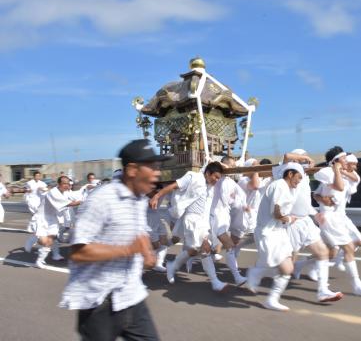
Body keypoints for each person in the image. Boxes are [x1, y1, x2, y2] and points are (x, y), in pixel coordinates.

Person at [59, 139, 167, 341]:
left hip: (131, 297)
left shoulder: (139, 200)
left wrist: (146, 252)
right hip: (99, 303)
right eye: (152, 167)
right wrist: (128, 249)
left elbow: (137, 231)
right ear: (133, 170)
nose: (157, 173)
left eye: (158, 166)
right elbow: (79, 252)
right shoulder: (101, 199)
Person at [274, 150, 343, 303]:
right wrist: (305, 157)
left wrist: (314, 214)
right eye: (301, 157)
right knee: (286, 264)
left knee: (323, 252)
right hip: (291, 223)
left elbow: (304, 201)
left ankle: (323, 291)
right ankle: (257, 276)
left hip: (306, 221)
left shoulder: (303, 177)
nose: (305, 161)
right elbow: (286, 156)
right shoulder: (283, 172)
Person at [150, 162, 228, 292]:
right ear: (208, 173)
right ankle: (215, 282)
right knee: (205, 249)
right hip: (192, 220)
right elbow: (174, 185)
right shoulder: (193, 177)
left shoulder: (210, 187)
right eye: (216, 177)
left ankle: (172, 266)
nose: (217, 180)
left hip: (202, 222)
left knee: (194, 251)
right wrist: (157, 196)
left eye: (219, 178)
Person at [313, 146, 361, 296]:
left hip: (338, 217)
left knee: (328, 251)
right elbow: (338, 187)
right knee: (344, 249)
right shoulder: (326, 172)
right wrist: (336, 170)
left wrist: (340, 171)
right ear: (335, 160)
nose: (346, 160)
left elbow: (354, 179)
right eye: (343, 158)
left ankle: (319, 281)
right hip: (329, 217)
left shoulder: (345, 174)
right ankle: (356, 286)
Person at [246, 163, 304, 311]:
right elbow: (277, 213)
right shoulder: (280, 186)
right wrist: (290, 219)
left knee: (287, 267)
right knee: (285, 267)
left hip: (278, 232)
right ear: (290, 174)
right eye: (298, 177)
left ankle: (270, 296)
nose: (299, 181)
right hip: (268, 232)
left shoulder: (287, 188)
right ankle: (260, 282)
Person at [208, 156, 248, 286]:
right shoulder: (214, 177)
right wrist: (224, 167)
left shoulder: (230, 182)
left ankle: (175, 264)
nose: (233, 168)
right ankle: (236, 277)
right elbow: (212, 164)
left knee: (200, 250)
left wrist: (244, 206)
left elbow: (240, 197)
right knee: (229, 246)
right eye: (232, 166)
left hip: (224, 217)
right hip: (214, 216)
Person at [33, 175, 82, 268]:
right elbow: (72, 203)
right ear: (59, 184)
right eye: (64, 183)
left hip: (52, 219)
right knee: (44, 241)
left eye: (68, 183)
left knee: (51, 239)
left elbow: (75, 196)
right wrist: (83, 201)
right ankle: (36, 239)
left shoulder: (66, 192)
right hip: (41, 218)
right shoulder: (53, 192)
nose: (66, 185)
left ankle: (40, 261)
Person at [23, 171, 48, 252]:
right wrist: (28, 191)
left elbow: (47, 190)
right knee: (37, 217)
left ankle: (34, 236)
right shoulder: (30, 183)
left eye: (39, 176)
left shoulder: (42, 183)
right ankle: (35, 236)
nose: (38, 177)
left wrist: (43, 189)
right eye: (36, 176)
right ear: (34, 176)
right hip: (32, 202)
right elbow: (25, 190)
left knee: (38, 219)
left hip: (40, 202)